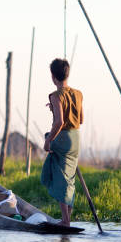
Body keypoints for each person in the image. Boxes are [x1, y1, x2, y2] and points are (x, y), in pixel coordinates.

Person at [40, 58, 83, 227]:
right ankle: (67, 219)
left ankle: (65, 221)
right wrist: (56, 109)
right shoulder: (78, 94)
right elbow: (80, 119)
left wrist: (49, 141)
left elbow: (59, 122)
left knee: (60, 177)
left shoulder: (55, 95)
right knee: (69, 178)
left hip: (63, 138)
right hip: (76, 138)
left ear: (53, 76)